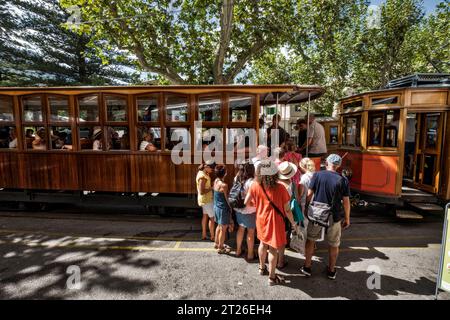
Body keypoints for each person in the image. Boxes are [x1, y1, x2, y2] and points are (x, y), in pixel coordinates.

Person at [245, 160, 299, 286]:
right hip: (275, 221)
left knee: (263, 244)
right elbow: (287, 210)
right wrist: (294, 223)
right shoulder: (280, 188)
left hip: (261, 219)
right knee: (273, 249)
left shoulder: (254, 185)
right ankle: (272, 277)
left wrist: (257, 205)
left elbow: (246, 202)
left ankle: (261, 268)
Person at [301, 154, 351, 280]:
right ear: (338, 165)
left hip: (317, 214)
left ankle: (307, 267)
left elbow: (309, 193)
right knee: (334, 244)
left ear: (327, 163)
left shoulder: (317, 175)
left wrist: (307, 208)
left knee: (311, 240)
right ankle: (331, 270)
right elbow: (346, 202)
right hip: (334, 216)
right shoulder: (343, 180)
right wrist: (347, 218)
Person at [276, 161, 299, 270]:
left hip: (273, 213)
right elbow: (291, 206)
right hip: (284, 215)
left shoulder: (274, 183)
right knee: (282, 240)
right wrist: (294, 223)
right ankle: (280, 261)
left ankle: (272, 259)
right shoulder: (291, 185)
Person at [234, 161, 257, 261]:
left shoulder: (236, 178)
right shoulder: (252, 182)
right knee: (251, 232)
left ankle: (238, 250)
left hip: (238, 208)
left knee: (241, 229)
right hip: (250, 210)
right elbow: (252, 200)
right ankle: (250, 254)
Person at [213, 165, 233, 254]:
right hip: (223, 209)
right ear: (224, 174)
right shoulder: (224, 185)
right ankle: (221, 248)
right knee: (223, 229)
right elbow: (227, 199)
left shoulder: (216, 181)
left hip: (216, 207)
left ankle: (216, 243)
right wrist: (231, 208)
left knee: (218, 226)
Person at [196, 161, 216, 242]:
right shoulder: (203, 176)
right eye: (212, 168)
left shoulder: (203, 173)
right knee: (212, 218)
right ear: (206, 167)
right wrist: (212, 187)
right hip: (207, 200)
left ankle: (204, 234)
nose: (212, 170)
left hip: (204, 199)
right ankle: (213, 236)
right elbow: (201, 191)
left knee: (205, 216)